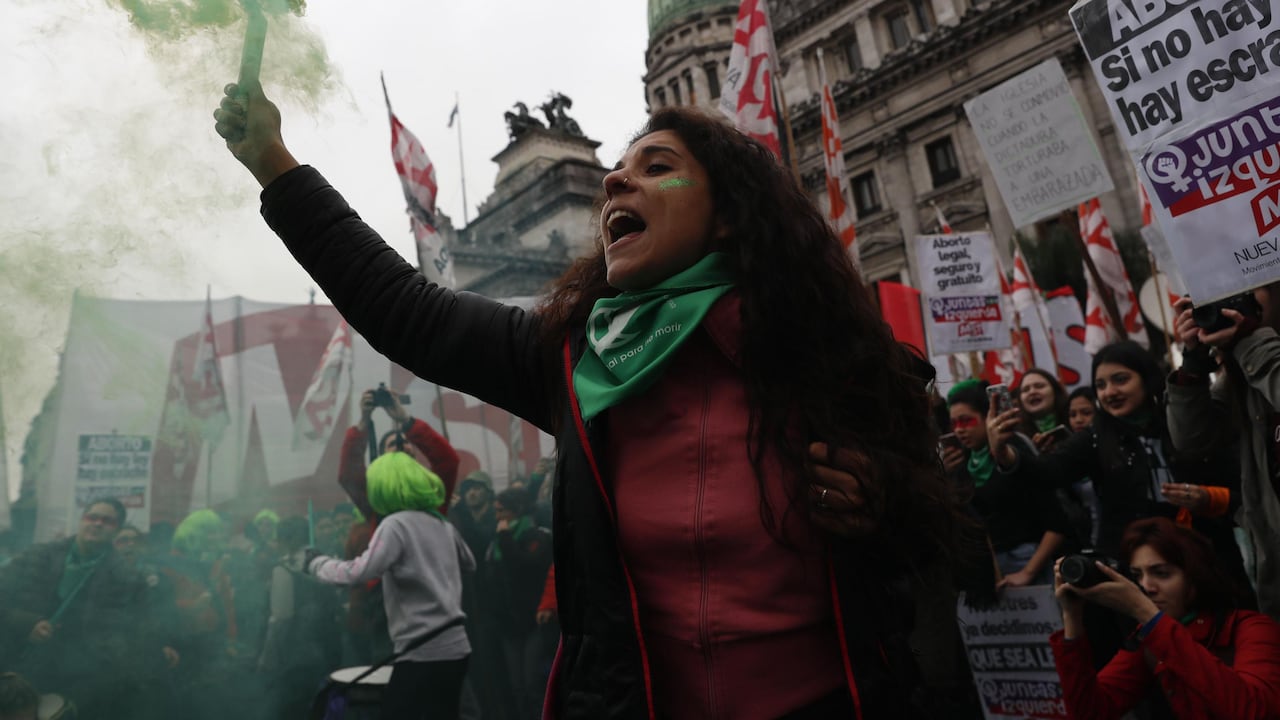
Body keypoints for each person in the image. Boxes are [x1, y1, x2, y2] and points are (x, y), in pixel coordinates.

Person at [215, 86, 960, 719]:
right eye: (615, 172)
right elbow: (407, 310)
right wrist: (275, 165)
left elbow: (947, 541)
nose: (614, 182)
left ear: (730, 213)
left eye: (657, 167)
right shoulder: (574, 361)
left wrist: (882, 504)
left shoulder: (835, 361)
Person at [1050, 517, 1280, 719]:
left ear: (1195, 576)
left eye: (1161, 574)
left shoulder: (1251, 628)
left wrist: (1147, 614)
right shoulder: (1151, 642)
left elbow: (1255, 712)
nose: (1146, 587)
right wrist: (1072, 617)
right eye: (1136, 575)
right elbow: (1090, 713)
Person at [308, 452, 475, 720]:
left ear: (382, 487)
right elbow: (469, 562)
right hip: (456, 646)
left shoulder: (395, 525)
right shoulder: (442, 524)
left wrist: (317, 564)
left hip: (421, 651)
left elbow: (360, 571)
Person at [1168, 290, 1280, 621]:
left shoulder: (1255, 352)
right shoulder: (1246, 367)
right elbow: (1192, 438)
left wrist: (1251, 339)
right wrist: (1194, 362)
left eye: (1247, 289)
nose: (1231, 301)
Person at [0, 500, 149, 715]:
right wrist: (26, 623)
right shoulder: (37, 556)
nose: (97, 523)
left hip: (79, 683)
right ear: (81, 520)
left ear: (116, 530)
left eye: (107, 521)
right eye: (92, 517)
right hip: (18, 669)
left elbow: (134, 635)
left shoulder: (127, 578)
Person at [944, 380, 1067, 588]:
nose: (959, 430)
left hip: (1027, 566)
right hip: (987, 573)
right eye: (954, 423)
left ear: (988, 417)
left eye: (966, 421)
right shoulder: (959, 463)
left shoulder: (1015, 453)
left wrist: (1027, 572)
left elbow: (1057, 522)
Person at [485, 487, 554, 720]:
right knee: (517, 686)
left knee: (532, 683)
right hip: (508, 622)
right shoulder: (495, 539)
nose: (498, 517)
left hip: (532, 620)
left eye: (502, 511)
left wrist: (505, 538)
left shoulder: (536, 536)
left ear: (517, 510)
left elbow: (523, 567)